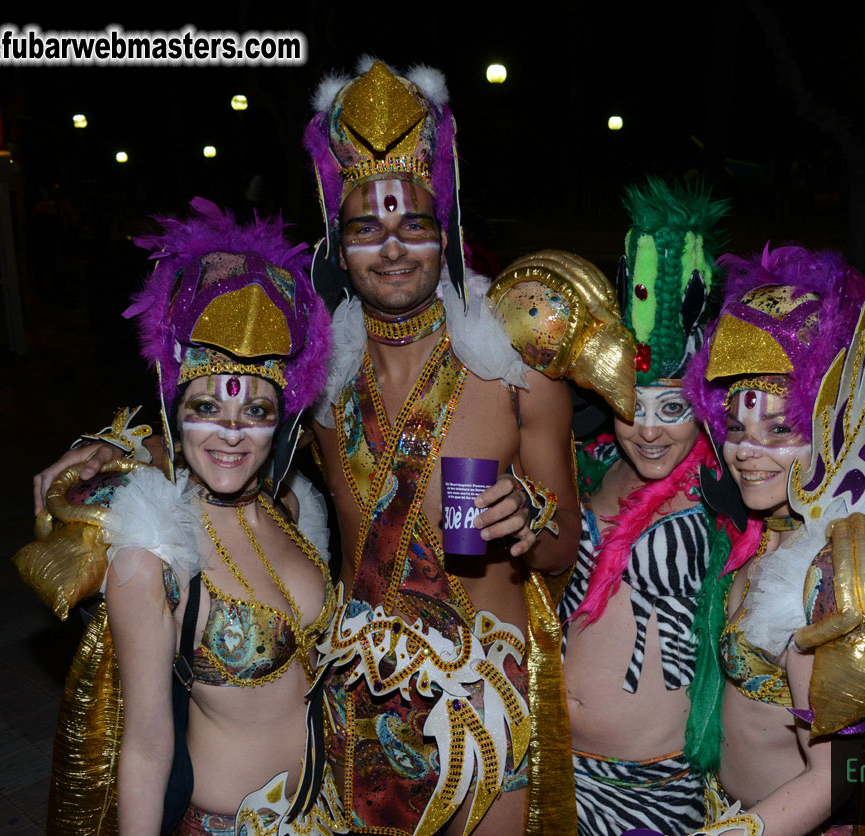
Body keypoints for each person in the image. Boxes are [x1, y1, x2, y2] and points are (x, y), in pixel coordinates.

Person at [34, 60, 619, 836]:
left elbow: (557, 553)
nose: (393, 247)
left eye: (414, 223)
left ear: (445, 230)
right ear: (339, 247)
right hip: (356, 701)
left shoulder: (515, 372)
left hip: (486, 699)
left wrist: (528, 514)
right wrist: (114, 452)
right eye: (365, 228)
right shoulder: (319, 375)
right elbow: (223, 426)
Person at [18, 199, 336, 836]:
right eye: (206, 406)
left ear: (282, 420)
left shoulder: (288, 506)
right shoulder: (150, 559)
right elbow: (145, 748)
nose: (230, 434)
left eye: (255, 412)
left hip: (330, 814)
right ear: (174, 409)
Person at [681, 245, 865, 835]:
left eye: (779, 429)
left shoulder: (832, 570)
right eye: (736, 427)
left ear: (829, 430)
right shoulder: (762, 535)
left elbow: (838, 771)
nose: (745, 450)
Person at [558, 179, 735, 836]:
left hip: (655, 789)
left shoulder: (724, 497)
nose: (651, 430)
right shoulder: (586, 471)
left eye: (674, 408)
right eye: (635, 406)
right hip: (550, 767)